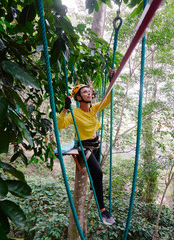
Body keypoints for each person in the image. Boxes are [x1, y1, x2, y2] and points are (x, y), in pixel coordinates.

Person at [57, 70, 116, 226]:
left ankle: (93, 187)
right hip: (85, 147)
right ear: (78, 97)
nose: (89, 93)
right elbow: (60, 124)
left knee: (95, 176)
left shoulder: (94, 109)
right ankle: (102, 210)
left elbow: (108, 100)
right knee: (98, 173)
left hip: (96, 144)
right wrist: (64, 108)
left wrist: (112, 81)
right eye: (85, 92)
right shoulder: (75, 113)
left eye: (89, 91)